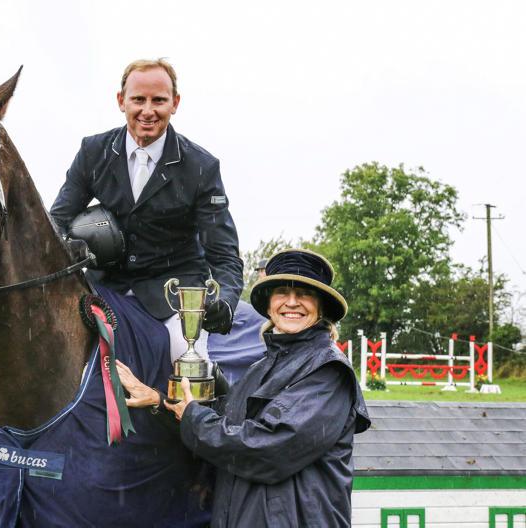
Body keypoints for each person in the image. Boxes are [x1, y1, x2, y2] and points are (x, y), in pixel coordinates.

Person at [117, 249, 370, 527]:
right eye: (282, 292)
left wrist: (192, 417)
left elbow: (268, 449)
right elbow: (223, 422)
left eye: (304, 294)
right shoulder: (260, 368)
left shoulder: (329, 372)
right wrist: (158, 400)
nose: (292, 302)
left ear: (321, 307)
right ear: (270, 304)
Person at [50, 58, 244, 364]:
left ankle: (215, 393)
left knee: (186, 358)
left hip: (174, 296)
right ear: (121, 101)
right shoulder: (93, 152)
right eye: (138, 99)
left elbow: (224, 254)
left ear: (175, 103)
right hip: (104, 287)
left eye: (159, 100)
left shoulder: (202, 167)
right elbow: (57, 222)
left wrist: (227, 302)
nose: (148, 110)